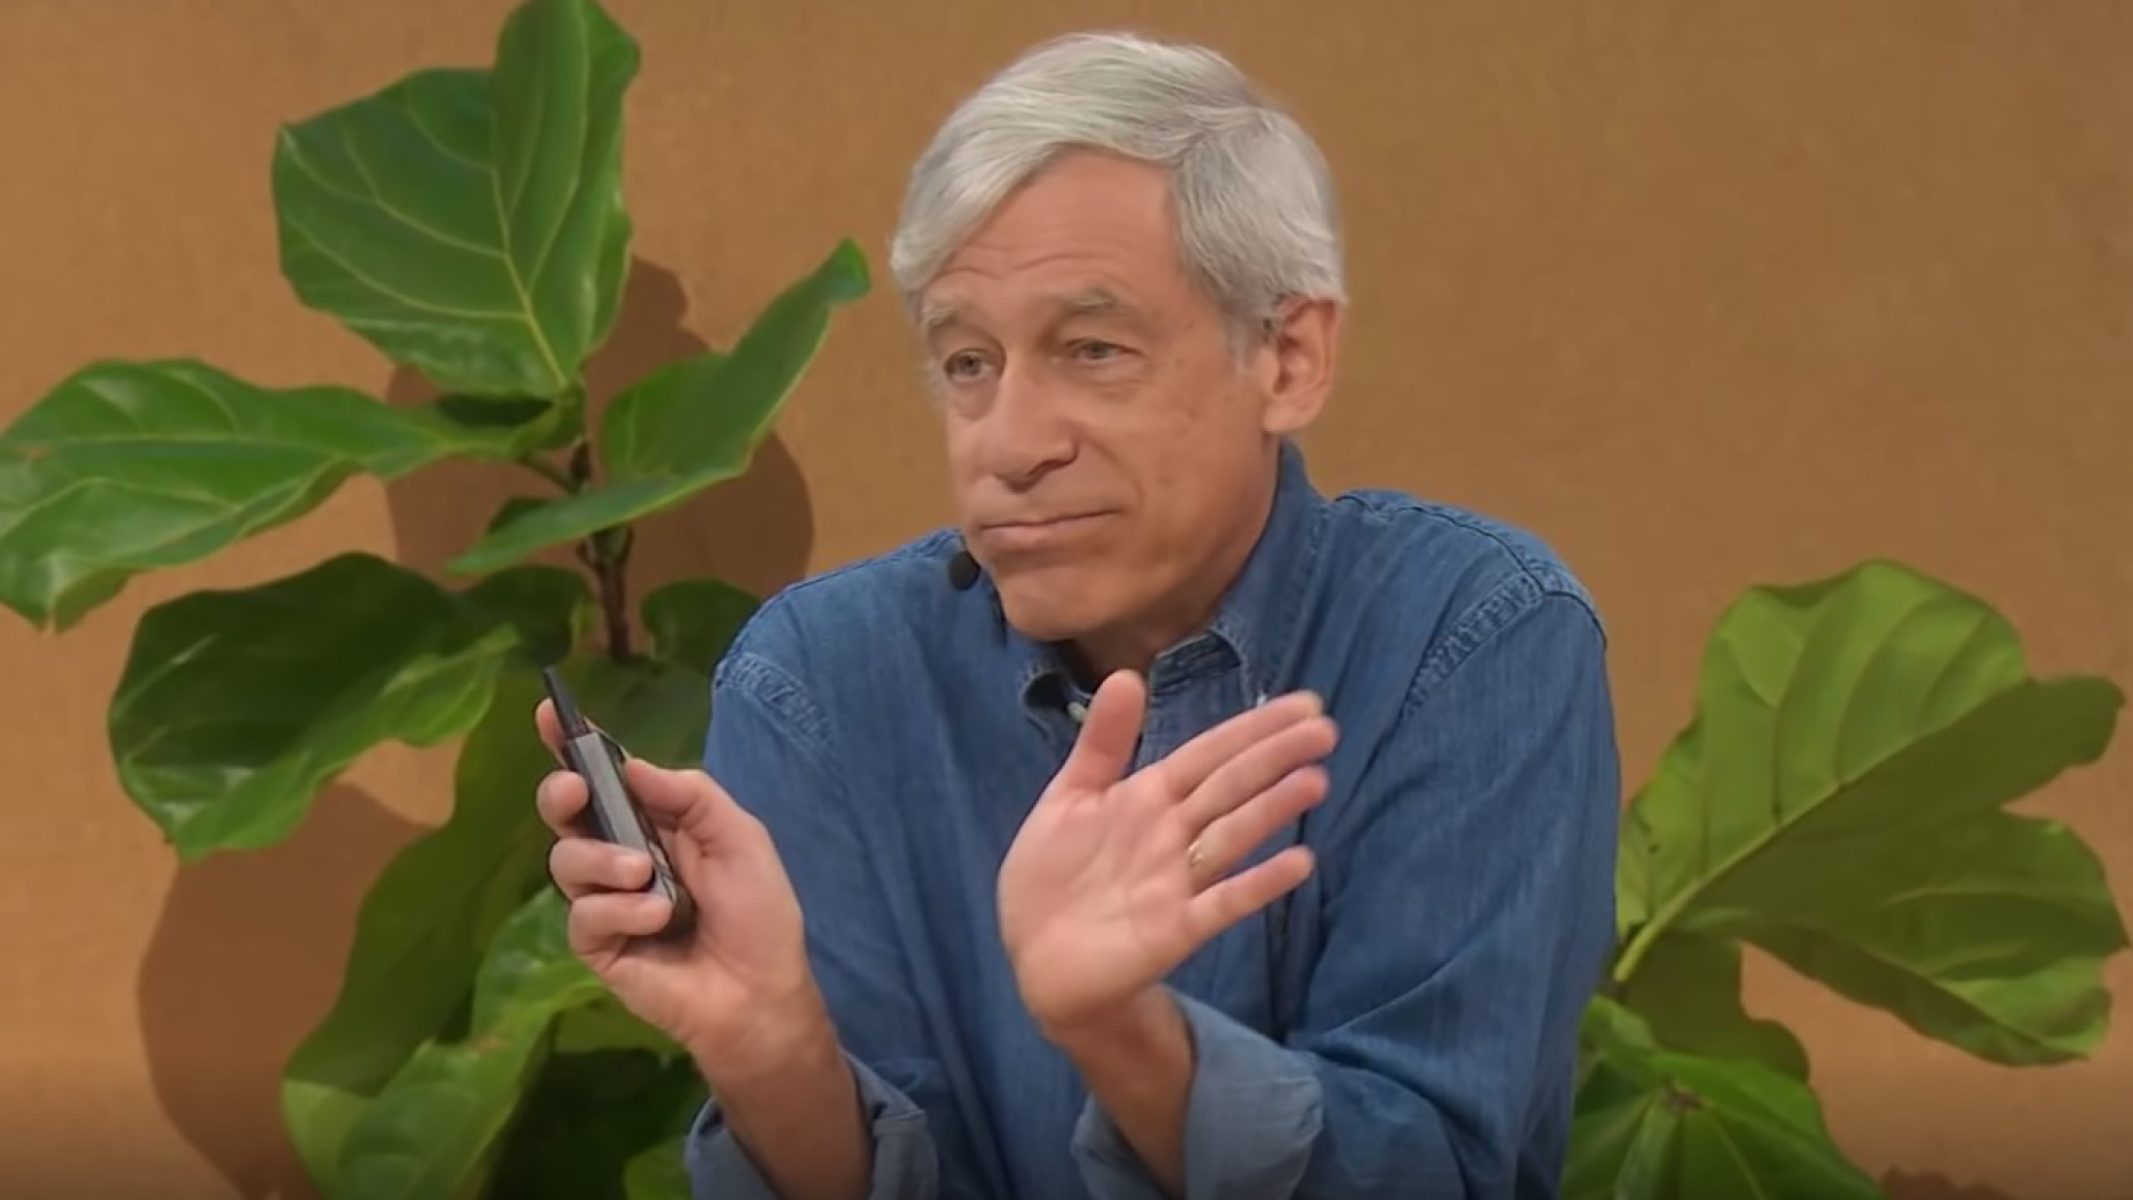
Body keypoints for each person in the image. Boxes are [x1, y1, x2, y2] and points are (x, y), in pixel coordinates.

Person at [536, 30, 1619, 1200]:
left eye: (1092, 349)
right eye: (967, 363)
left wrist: (1121, 1032)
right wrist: (772, 1051)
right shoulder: (819, 684)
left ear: (1289, 359)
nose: (1008, 446)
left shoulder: (1470, 636)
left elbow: (1435, 1169)